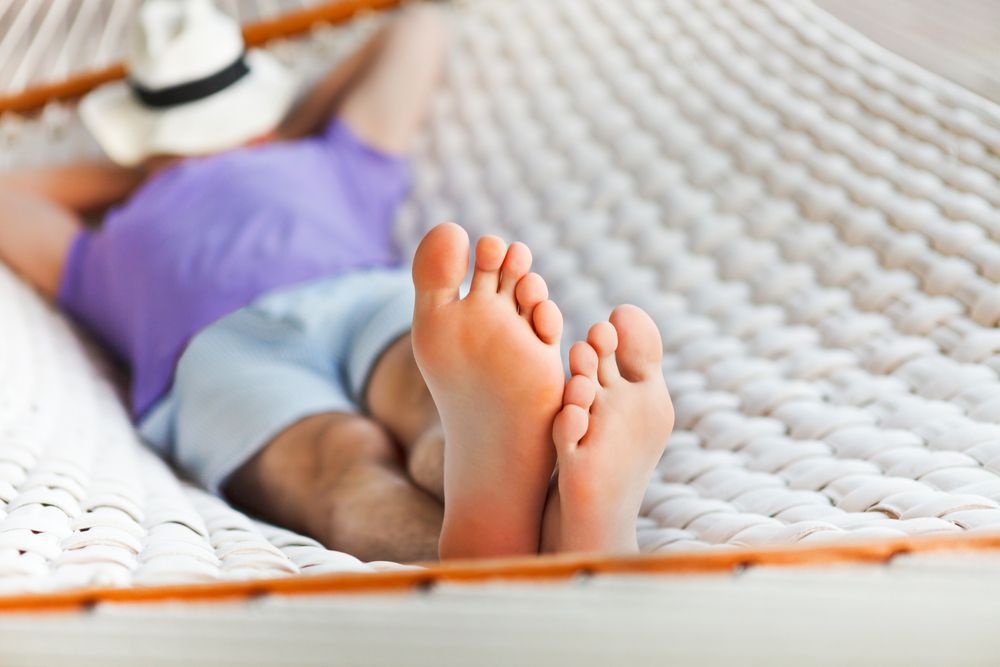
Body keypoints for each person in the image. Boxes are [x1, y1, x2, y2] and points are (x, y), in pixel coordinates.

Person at [0, 0, 673, 563]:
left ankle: (487, 512)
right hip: (222, 350)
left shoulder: (326, 152)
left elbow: (416, 29)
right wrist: (165, 163)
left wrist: (279, 125)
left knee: (403, 412)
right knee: (352, 446)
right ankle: (564, 530)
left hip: (312, 314)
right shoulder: (113, 236)